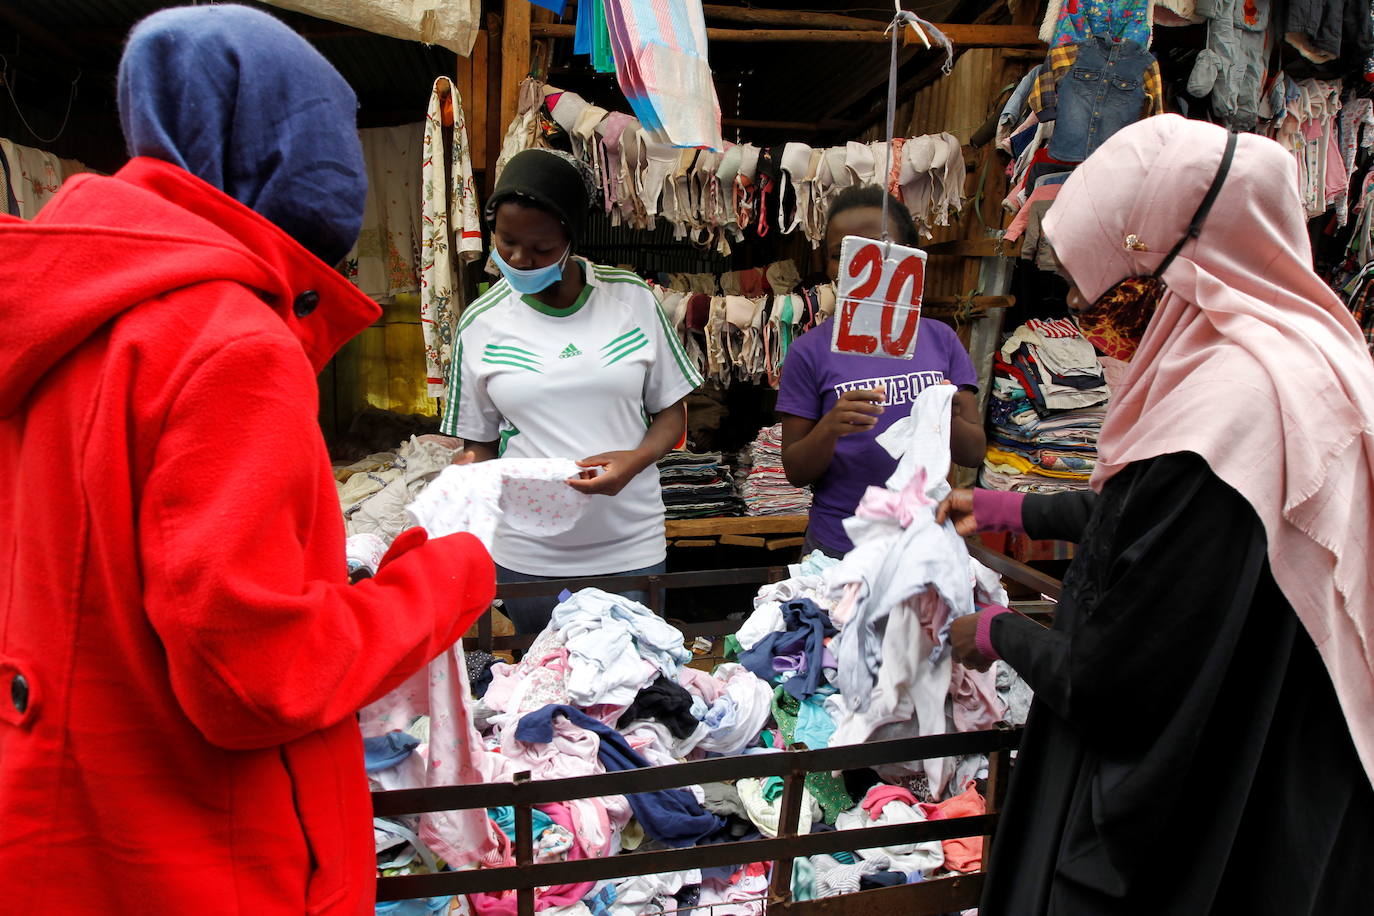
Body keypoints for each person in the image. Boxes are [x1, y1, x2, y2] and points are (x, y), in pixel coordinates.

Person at [0, 7, 496, 914]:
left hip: (71, 834)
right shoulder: (225, 339)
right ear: (285, 145)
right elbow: (255, 679)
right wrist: (445, 584)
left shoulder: (65, 314)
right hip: (201, 856)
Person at [940, 115, 1374, 914]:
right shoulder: (1301, 361)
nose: (1078, 305)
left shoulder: (1226, 416)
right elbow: (1139, 521)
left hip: (1186, 812)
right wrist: (1005, 505)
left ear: (1172, 266)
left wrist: (996, 633)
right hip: (1273, 768)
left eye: (1098, 282)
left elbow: (1117, 681)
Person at [435, 148, 701, 632]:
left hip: (631, 546)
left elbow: (672, 414)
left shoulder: (631, 300)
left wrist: (633, 462)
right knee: (539, 693)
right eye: (507, 241)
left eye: (540, 249)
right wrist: (465, 474)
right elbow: (479, 443)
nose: (519, 259)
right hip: (529, 554)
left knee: (637, 691)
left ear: (570, 241)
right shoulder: (481, 323)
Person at [777, 185, 985, 558]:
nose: (859, 263)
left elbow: (973, 453)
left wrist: (944, 412)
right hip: (841, 545)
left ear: (908, 255)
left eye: (877, 249)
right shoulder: (808, 351)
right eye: (840, 254)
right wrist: (831, 426)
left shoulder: (941, 339)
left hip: (927, 541)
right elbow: (795, 471)